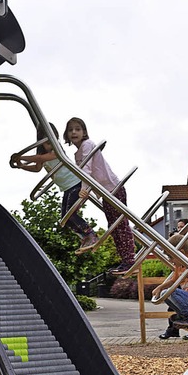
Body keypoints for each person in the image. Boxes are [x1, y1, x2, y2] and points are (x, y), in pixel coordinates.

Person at [10, 123, 99, 254]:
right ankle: (85, 236)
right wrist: (21, 165)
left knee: (70, 213)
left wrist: (20, 156)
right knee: (65, 218)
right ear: (41, 142)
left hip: (75, 183)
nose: (49, 145)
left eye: (51, 141)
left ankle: (90, 234)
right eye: (46, 143)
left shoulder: (57, 150)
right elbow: (36, 167)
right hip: (66, 188)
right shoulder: (42, 153)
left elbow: (40, 158)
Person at [64, 117, 136, 275]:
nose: (74, 132)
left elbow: (87, 170)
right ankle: (125, 261)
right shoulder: (78, 154)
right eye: (70, 130)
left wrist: (84, 190)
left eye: (77, 129)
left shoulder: (88, 144)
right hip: (105, 192)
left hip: (113, 188)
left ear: (84, 132)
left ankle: (130, 260)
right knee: (114, 226)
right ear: (66, 135)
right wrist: (86, 191)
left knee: (120, 225)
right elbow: (86, 173)